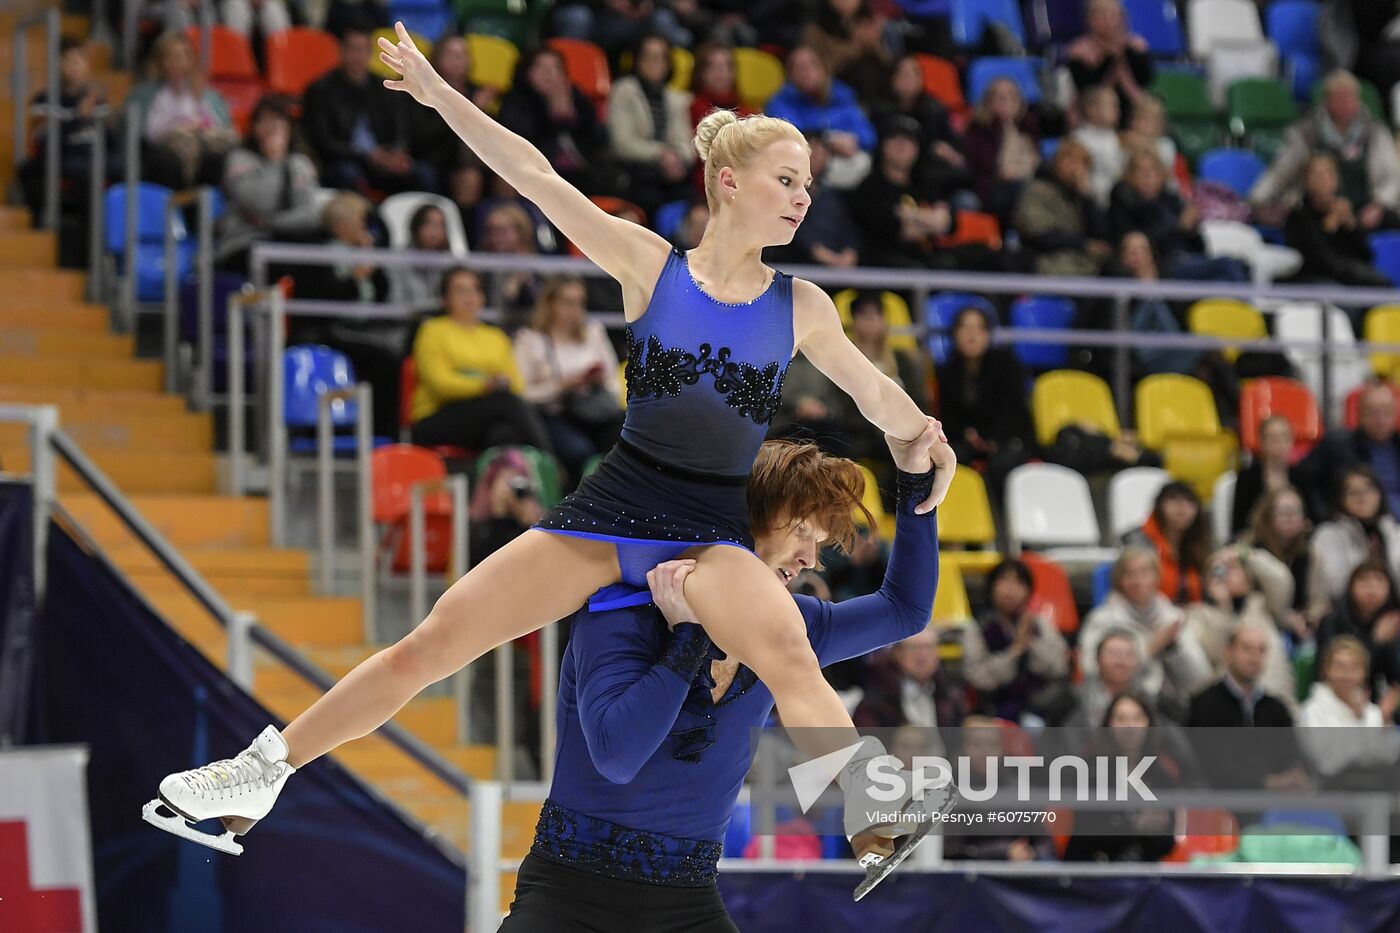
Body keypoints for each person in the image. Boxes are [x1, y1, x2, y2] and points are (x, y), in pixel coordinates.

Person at [145, 25, 952, 864]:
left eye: (808, 185)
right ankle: (260, 771)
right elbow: (534, 176)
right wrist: (434, 92)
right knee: (432, 643)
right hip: (612, 512)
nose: (802, 197)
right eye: (787, 179)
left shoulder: (804, 305)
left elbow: (877, 395)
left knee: (788, 650)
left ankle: (876, 810)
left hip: (713, 529)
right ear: (728, 181)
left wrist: (925, 441)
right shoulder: (651, 265)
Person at [500, 436, 948, 930]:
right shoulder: (621, 608)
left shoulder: (791, 629)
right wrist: (688, 640)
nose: (809, 559)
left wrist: (915, 484)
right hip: (568, 899)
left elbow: (904, 610)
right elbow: (617, 755)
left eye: (817, 543)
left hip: (689, 903)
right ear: (747, 516)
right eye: (801, 531)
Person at [408, 266, 556, 455]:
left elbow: (516, 385)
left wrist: (495, 385)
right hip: (436, 416)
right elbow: (440, 384)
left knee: (503, 433)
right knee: (507, 404)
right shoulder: (432, 331)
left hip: (485, 415)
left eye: (475, 289)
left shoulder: (495, 336)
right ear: (445, 299)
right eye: (461, 290)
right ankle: (551, 464)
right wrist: (485, 385)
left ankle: (496, 482)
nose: (469, 296)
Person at [1079, 548, 1213, 722]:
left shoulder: (1172, 618)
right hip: (1114, 707)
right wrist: (1149, 650)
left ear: (1157, 577)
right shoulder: (1103, 619)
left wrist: (1173, 648)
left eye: (1144, 572)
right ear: (1119, 580)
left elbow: (1200, 680)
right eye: (1129, 574)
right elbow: (1089, 667)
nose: (1138, 580)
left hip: (1165, 708)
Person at [513, 275, 625, 480]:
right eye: (568, 302)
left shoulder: (594, 332)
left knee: (630, 437)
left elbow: (614, 382)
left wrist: (596, 382)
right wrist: (559, 386)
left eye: (580, 302)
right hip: (556, 414)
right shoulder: (530, 340)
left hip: (595, 410)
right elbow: (522, 395)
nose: (575, 310)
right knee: (578, 452)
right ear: (550, 304)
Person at [1250, 70, 1400, 221]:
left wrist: (1379, 205)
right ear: (1327, 101)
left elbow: (1391, 177)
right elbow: (1281, 172)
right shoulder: (1306, 133)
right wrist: (1257, 199)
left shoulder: (1376, 132)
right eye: (1340, 98)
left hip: (1364, 209)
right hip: (1317, 209)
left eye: (1350, 97)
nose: (1347, 103)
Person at [303, 25, 435, 194]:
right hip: (347, 160)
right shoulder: (321, 90)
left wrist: (397, 151)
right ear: (341, 51)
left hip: (383, 157)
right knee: (346, 174)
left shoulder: (384, 86)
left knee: (423, 174)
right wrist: (367, 156)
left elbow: (401, 126)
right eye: (354, 49)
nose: (359, 56)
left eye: (364, 50)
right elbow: (324, 141)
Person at [1186, 619, 1312, 791]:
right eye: (1246, 648)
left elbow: (1290, 756)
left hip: (1276, 803)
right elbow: (1212, 764)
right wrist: (1267, 783)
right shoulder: (1204, 704)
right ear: (1228, 652)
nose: (1255, 657)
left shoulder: (1276, 708)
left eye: (1261, 650)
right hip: (1224, 802)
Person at [1063, 692, 1180, 863]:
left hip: (1144, 875)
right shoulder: (1089, 773)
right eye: (1121, 719)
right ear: (1109, 725)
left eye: (1137, 718)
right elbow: (1086, 835)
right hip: (1093, 871)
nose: (1129, 727)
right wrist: (1134, 826)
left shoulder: (1161, 775)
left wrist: (1156, 830)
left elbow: (1167, 845)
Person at [935, 304, 1034, 496]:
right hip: (967, 443)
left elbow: (1015, 411)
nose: (971, 334)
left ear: (988, 334)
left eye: (979, 327)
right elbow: (948, 416)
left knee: (1003, 465)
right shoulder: (948, 372)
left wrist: (994, 440)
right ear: (954, 333)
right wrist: (968, 434)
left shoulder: (1007, 364)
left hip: (1007, 440)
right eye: (964, 327)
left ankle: (1004, 521)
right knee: (946, 459)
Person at [217, 95, 322, 274]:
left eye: (277, 120)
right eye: (264, 121)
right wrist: (275, 161)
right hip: (245, 241)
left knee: (320, 257)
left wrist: (271, 223)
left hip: (288, 238)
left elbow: (309, 214)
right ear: (254, 127)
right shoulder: (239, 160)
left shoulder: (300, 163)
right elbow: (258, 204)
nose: (271, 127)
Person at [1185, 545, 1299, 711]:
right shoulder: (1200, 616)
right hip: (1235, 711)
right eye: (1219, 570)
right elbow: (1217, 652)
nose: (1227, 575)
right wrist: (1223, 607)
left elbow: (1281, 581)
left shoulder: (1263, 605)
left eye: (1235, 568)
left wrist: (1246, 554)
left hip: (1278, 704)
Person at [961, 559, 1071, 724]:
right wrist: (1015, 651)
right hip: (993, 708)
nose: (1010, 590)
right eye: (1004, 581)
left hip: (1039, 706)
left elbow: (1058, 666)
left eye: (1018, 582)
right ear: (991, 587)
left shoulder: (1039, 624)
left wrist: (1031, 644)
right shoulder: (977, 627)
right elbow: (979, 677)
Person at [497, 46, 609, 195]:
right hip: (535, 174)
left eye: (556, 68)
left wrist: (573, 117)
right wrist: (554, 116)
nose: (549, 74)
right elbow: (521, 142)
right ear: (526, 72)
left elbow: (597, 141)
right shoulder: (516, 100)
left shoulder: (575, 95)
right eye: (541, 68)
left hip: (581, 174)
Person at [606, 33, 695, 218]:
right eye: (648, 56)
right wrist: (662, 154)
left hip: (669, 174)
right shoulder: (624, 90)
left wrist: (676, 157)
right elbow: (622, 143)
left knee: (693, 200)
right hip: (634, 172)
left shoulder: (677, 98)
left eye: (660, 57)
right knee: (649, 198)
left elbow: (686, 144)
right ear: (637, 60)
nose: (654, 62)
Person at [765, 47, 876, 191]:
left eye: (811, 65)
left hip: (842, 162)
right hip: (803, 163)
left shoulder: (843, 96)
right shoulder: (781, 101)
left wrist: (853, 140)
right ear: (790, 75)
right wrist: (829, 140)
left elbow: (868, 136)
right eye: (798, 67)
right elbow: (790, 133)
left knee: (863, 161)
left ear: (823, 68)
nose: (805, 72)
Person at [846, 116, 951, 267]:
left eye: (909, 141)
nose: (902, 146)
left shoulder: (924, 184)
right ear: (883, 145)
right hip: (884, 263)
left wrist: (908, 214)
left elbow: (945, 223)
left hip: (928, 257)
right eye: (895, 139)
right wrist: (929, 220)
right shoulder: (870, 188)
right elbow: (896, 231)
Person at [1296, 635, 1400, 784]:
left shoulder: (1372, 711)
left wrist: (1384, 724)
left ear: (1364, 673)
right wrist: (1359, 722)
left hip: (1375, 786)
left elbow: (1389, 757)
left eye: (1354, 668)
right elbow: (1328, 764)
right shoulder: (1312, 711)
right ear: (1327, 670)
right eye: (1340, 667)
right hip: (1332, 791)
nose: (1347, 674)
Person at [1284, 153, 1395, 289]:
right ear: (1306, 180)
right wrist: (1330, 225)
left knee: (1383, 289)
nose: (1323, 180)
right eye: (1317, 175)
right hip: (1314, 280)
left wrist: (1351, 225)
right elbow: (1317, 260)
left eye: (1328, 174)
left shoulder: (1344, 210)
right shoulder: (1298, 216)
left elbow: (1366, 255)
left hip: (1349, 277)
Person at [142, 31, 238, 188]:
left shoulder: (203, 92)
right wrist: (181, 127)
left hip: (203, 146)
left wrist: (201, 127)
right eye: (174, 57)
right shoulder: (157, 95)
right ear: (163, 62)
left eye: (185, 56)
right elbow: (151, 133)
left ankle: (207, 206)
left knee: (218, 158)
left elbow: (221, 124)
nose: (180, 63)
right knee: (163, 162)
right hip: (173, 150)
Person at [869, 55, 970, 202]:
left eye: (913, 74)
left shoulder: (935, 110)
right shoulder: (879, 109)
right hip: (886, 170)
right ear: (891, 77)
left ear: (921, 79)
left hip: (928, 171)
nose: (907, 79)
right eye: (902, 73)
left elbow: (953, 145)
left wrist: (948, 152)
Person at [1297, 381, 1400, 522]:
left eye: (1386, 412)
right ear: (1359, 414)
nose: (1380, 419)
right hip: (1355, 529)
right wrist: (1323, 516)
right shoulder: (1336, 445)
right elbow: (1302, 476)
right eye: (1372, 412)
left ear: (1395, 413)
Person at [1306, 465, 1400, 614]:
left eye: (1368, 490)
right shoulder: (1327, 535)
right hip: (1342, 617)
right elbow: (1334, 588)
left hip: (1393, 614)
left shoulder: (1393, 531)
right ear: (1341, 498)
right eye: (1354, 492)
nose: (1362, 497)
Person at [1013, 139, 1112, 277]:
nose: (1075, 169)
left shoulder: (1084, 196)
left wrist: (1087, 198)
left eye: (1081, 163)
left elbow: (1101, 235)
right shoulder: (1037, 191)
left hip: (1083, 259)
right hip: (1045, 259)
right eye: (1070, 161)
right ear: (1056, 163)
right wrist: (1082, 244)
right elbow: (1038, 235)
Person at [853, 625, 966, 731]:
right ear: (897, 654)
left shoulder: (951, 695)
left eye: (929, 647)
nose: (922, 655)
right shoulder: (876, 700)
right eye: (914, 648)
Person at [1242, 486, 1316, 640]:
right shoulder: (1250, 548)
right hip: (1260, 620)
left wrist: (1309, 617)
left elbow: (1318, 600)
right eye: (1283, 513)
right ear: (1267, 516)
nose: (1290, 518)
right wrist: (1287, 619)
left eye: (1296, 512)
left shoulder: (1309, 552)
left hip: (1300, 624)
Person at [1315, 559, 1400, 690]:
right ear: (1350, 587)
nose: (1371, 588)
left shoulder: (1393, 621)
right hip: (1340, 694)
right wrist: (1376, 641)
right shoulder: (1331, 622)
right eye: (1364, 580)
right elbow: (1332, 672)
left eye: (1379, 580)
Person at [963, 77, 1041, 220]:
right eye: (999, 96)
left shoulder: (1027, 127)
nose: (1006, 100)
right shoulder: (979, 128)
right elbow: (989, 166)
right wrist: (1002, 126)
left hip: (1027, 184)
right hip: (992, 189)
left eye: (1011, 95)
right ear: (988, 101)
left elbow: (1035, 161)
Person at [1124, 481, 1213, 605]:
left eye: (1189, 501)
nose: (1181, 506)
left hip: (1190, 614)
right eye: (1173, 499)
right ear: (1158, 506)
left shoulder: (1197, 546)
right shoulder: (1138, 541)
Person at [1066, 0, 1153, 119]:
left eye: (1113, 15)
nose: (1107, 21)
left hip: (1133, 109)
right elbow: (1085, 86)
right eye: (1101, 15)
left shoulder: (1136, 46)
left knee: (1152, 110)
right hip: (1092, 111)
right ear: (1090, 20)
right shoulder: (1078, 50)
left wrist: (1126, 52)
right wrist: (1109, 57)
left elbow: (1145, 79)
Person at [1231, 416, 1305, 538]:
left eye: (1284, 437)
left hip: (1294, 541)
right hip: (1257, 538)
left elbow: (1310, 516)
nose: (1280, 443)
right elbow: (1239, 522)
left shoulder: (1301, 475)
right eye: (1273, 438)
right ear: (1261, 441)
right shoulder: (1248, 477)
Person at [1065, 628, 1145, 728]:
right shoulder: (1073, 699)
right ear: (1097, 659)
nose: (1122, 661)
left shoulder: (1148, 700)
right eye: (1114, 654)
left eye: (1129, 654)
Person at [388, 203, 454, 306]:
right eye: (429, 224)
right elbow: (395, 301)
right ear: (416, 228)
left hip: (439, 320)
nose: (434, 233)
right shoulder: (397, 260)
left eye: (440, 225)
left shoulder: (450, 264)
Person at [1072, 85, 1125, 206]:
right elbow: (1081, 182)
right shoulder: (1078, 140)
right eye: (1112, 105)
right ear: (1091, 108)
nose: (1117, 110)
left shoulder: (1119, 138)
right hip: (1093, 204)